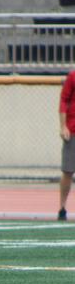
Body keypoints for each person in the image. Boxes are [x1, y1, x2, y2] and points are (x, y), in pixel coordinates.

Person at [59, 70, 75, 220]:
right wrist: (63, 126)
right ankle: (62, 207)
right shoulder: (72, 76)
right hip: (73, 130)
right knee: (68, 171)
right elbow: (64, 100)